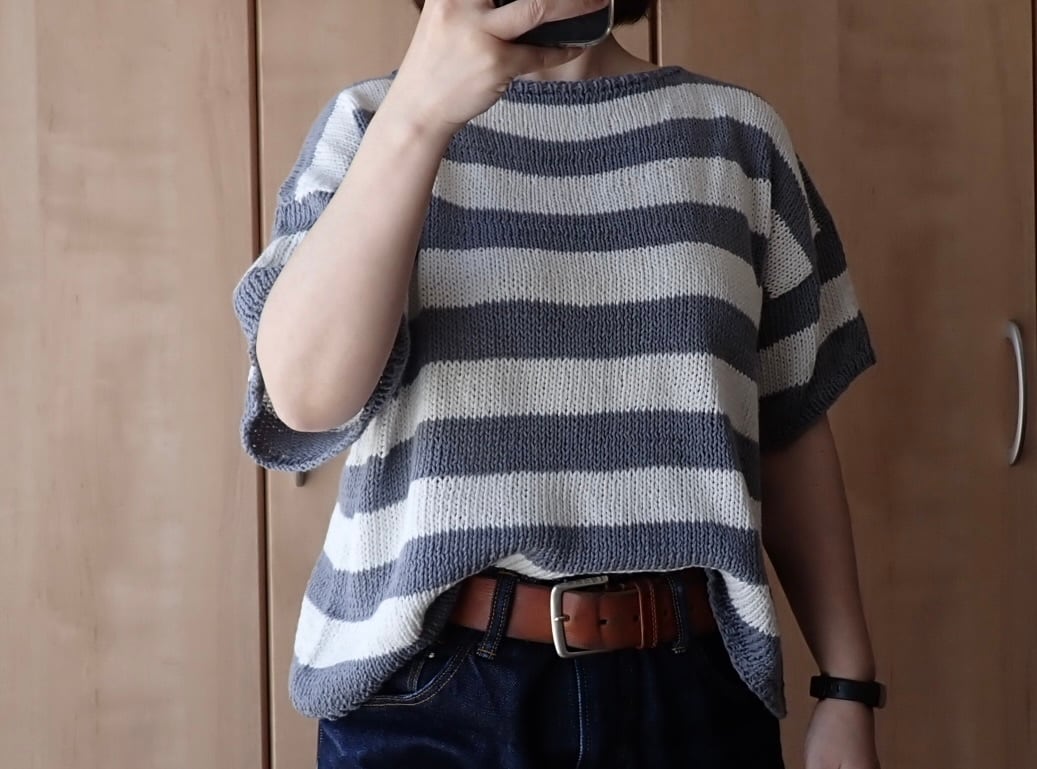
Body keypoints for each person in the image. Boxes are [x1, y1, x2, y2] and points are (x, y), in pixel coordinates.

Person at [232, 0, 884, 766]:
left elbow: (789, 423)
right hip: (430, 695)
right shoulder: (370, 123)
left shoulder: (737, 137)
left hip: (691, 695)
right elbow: (307, 397)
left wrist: (847, 687)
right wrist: (417, 117)